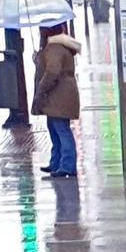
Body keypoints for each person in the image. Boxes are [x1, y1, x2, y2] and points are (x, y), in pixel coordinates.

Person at [33, 21, 80, 177]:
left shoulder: (54, 48)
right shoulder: (56, 47)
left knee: (60, 129)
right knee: (55, 129)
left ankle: (66, 165)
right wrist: (39, 58)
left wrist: (42, 88)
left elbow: (52, 72)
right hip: (60, 96)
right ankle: (57, 163)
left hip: (58, 96)